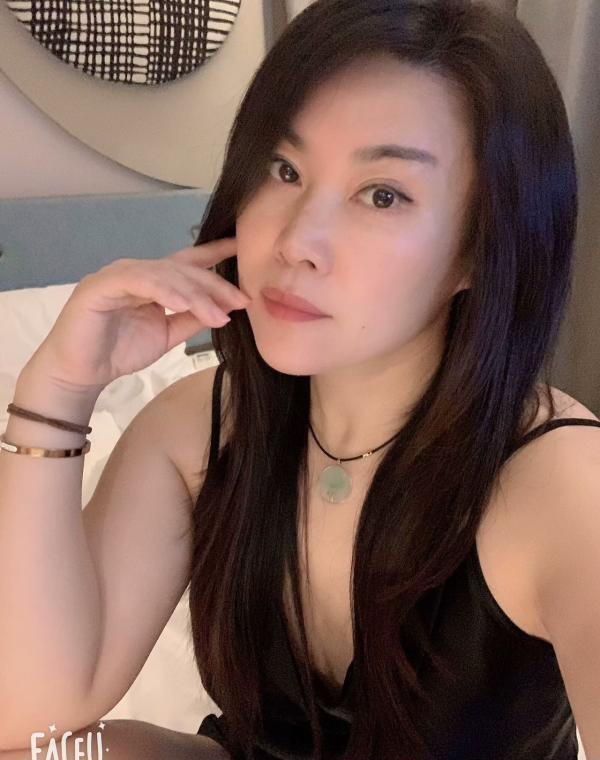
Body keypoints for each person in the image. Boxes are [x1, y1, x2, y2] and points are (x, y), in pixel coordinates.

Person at [1, 1, 600, 759]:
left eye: (382, 194)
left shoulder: (561, 484)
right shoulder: (200, 428)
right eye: (284, 170)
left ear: (480, 249)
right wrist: (56, 392)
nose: (296, 241)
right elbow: (23, 715)